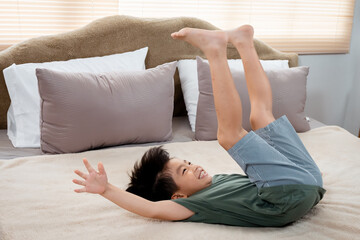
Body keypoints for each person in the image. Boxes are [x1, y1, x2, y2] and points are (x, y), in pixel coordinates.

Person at [73, 25, 325, 227]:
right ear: (178, 196)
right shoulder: (192, 205)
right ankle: (215, 50)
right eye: (185, 172)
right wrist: (106, 189)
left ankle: (244, 42)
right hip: (290, 195)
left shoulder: (216, 181)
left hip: (309, 182)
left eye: (188, 164)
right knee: (229, 135)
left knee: (261, 116)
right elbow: (151, 208)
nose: (194, 167)